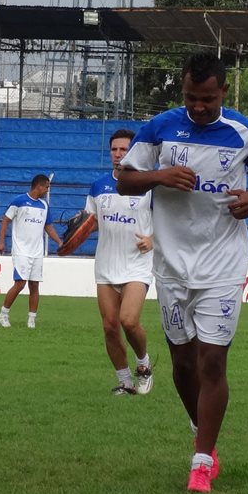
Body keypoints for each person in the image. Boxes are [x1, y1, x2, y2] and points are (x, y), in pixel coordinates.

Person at [118, 52, 248, 493]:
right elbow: (123, 180)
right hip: (171, 265)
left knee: (211, 360)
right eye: (191, 98)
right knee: (183, 362)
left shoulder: (245, 132)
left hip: (222, 263)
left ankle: (202, 460)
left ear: (223, 91)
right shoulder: (161, 128)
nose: (199, 107)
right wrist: (161, 175)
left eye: (207, 99)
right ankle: (198, 427)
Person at [85, 130, 155, 395]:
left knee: (128, 320)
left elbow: (168, 222)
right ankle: (125, 383)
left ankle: (143, 364)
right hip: (105, 266)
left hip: (137, 265)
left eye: (124, 149)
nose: (118, 154)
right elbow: (89, 222)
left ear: (134, 152)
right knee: (109, 326)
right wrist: (76, 233)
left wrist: (153, 239)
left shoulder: (149, 186)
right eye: (114, 149)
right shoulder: (98, 186)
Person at [0, 174, 63, 328]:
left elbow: (48, 226)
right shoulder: (19, 201)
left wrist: (59, 241)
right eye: (46, 187)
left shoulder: (44, 206)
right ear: (39, 186)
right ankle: (3, 315)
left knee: (34, 286)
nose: (47, 190)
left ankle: (31, 320)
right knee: (20, 284)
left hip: (37, 252)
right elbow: (6, 219)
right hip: (21, 251)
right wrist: (0, 241)